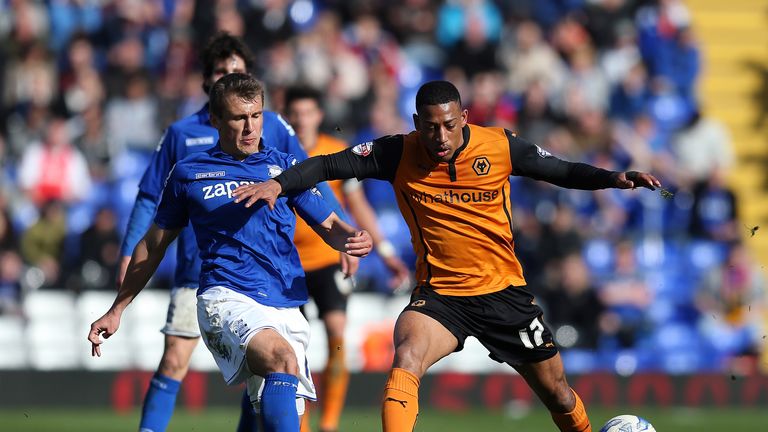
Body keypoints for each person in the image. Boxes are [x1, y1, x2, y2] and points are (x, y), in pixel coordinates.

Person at [233, 80, 662, 432]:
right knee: (406, 354)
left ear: (465, 119)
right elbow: (326, 166)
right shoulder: (398, 152)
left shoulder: (499, 145)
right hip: (441, 298)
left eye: (449, 126)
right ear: (417, 122)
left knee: (559, 394)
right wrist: (279, 184)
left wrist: (615, 178)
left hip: (505, 294)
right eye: (431, 127)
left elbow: (562, 170)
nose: (440, 137)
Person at [88, 73, 373, 432]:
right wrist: (117, 309)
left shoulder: (284, 168)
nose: (250, 127)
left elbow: (330, 224)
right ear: (216, 121)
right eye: (239, 118)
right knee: (283, 362)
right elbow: (153, 244)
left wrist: (353, 237)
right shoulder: (189, 173)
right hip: (226, 298)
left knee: (272, 414)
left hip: (285, 302)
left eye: (256, 116)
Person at [283, 86, 410, 432]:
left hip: (328, 259)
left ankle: (329, 423)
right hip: (286, 262)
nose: (300, 119)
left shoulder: (334, 153)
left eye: (307, 112)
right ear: (286, 117)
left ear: (318, 116)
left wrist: (385, 253)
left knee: (337, 335)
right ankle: (302, 425)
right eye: (294, 114)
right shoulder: (277, 154)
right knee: (294, 347)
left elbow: (358, 206)